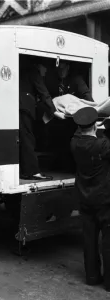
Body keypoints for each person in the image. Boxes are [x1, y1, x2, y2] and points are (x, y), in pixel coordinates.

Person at [71, 106, 110, 291]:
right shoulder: (102, 145)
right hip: (104, 199)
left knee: (89, 239)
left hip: (85, 198)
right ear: (95, 126)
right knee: (108, 241)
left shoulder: (74, 142)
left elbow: (81, 133)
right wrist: (107, 125)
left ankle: (92, 276)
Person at [19, 58, 55, 180]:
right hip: (25, 108)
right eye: (46, 69)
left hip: (19, 107)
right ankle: (32, 171)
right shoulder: (34, 72)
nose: (46, 72)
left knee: (23, 139)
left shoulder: (24, 72)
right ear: (40, 66)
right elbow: (44, 93)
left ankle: (24, 171)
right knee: (28, 139)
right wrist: (54, 110)